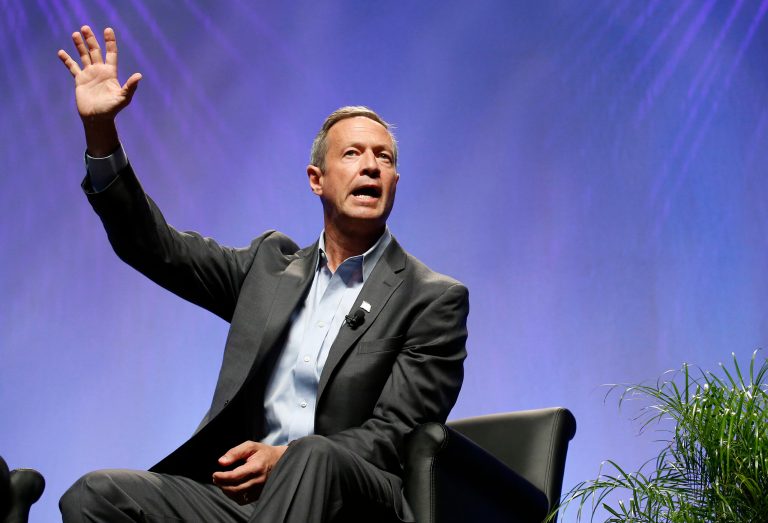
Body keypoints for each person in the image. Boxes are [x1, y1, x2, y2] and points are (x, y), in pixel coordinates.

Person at [57, 26, 469, 522]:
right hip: (243, 501)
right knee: (96, 496)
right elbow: (154, 249)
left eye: (384, 158)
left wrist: (284, 460)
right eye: (353, 154)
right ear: (316, 180)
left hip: (354, 500)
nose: (372, 167)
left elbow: (396, 434)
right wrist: (101, 134)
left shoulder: (431, 299)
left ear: (395, 183)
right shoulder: (268, 268)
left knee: (311, 456)